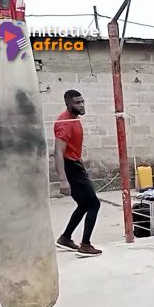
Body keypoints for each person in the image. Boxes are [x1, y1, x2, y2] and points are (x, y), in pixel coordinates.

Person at [53, 90, 102, 257]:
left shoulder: (74, 119)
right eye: (77, 103)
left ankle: (65, 238)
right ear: (68, 104)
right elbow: (58, 152)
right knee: (94, 204)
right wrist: (63, 180)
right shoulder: (64, 123)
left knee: (84, 204)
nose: (81, 105)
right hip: (70, 168)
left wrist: (80, 162)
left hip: (75, 165)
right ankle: (85, 245)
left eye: (82, 101)